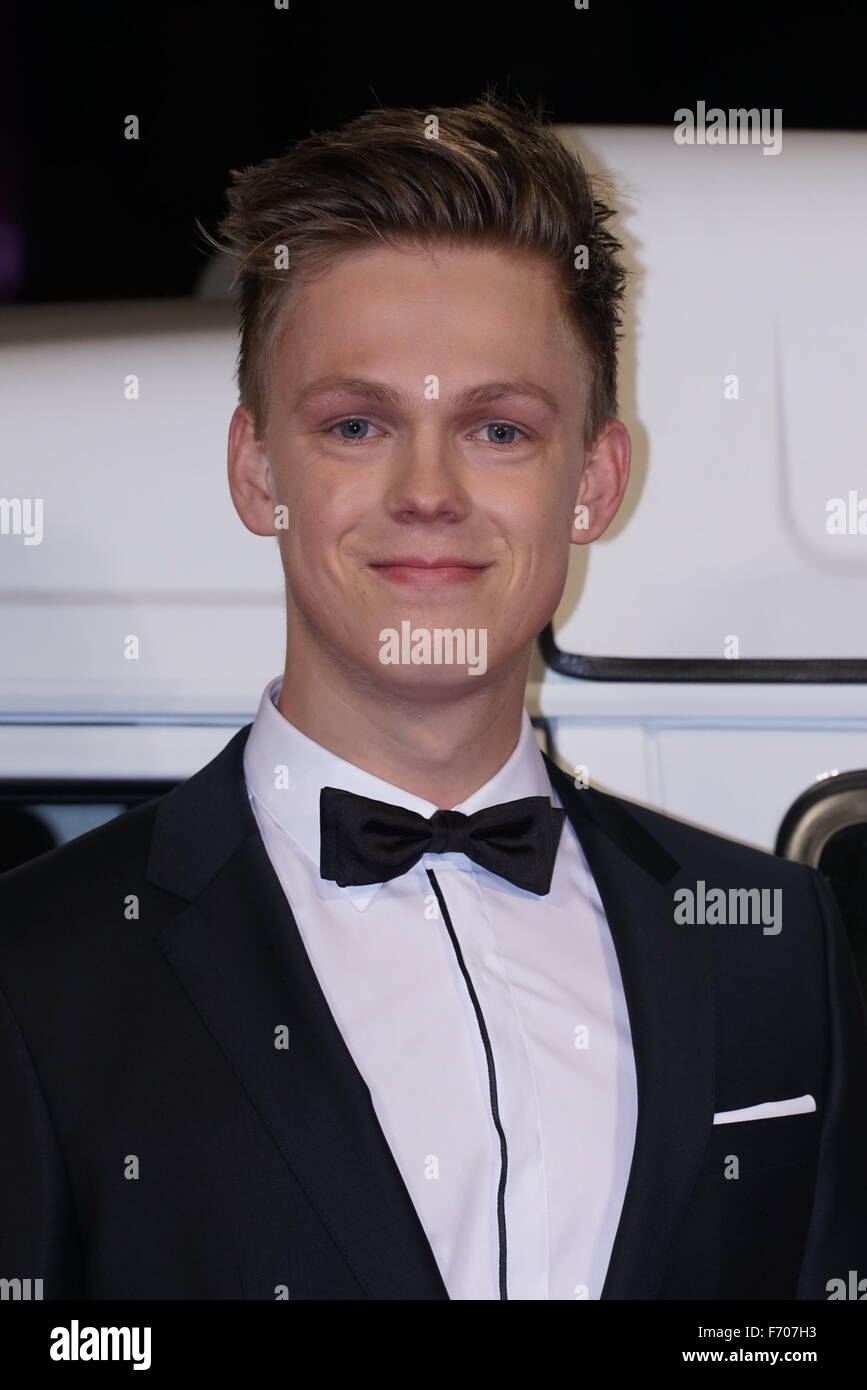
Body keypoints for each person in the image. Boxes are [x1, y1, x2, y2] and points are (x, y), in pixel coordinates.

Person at [1, 96, 865, 1301]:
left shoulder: (778, 944)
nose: (428, 491)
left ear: (596, 481)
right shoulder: (38, 970)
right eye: (358, 424)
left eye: (499, 428)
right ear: (258, 470)